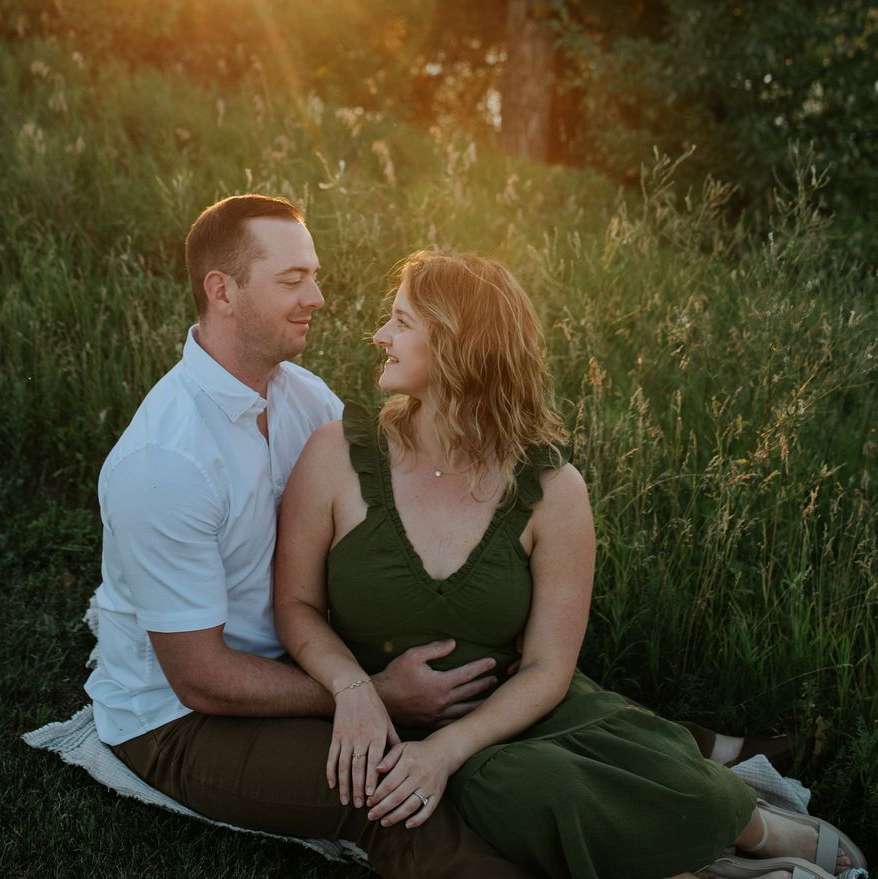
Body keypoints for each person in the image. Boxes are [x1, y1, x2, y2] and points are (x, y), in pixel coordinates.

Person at [274, 250, 867, 879]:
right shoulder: (337, 453)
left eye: (401, 322)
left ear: (456, 346)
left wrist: (444, 751)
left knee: (667, 771)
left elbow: (548, 670)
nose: (380, 337)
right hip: (427, 731)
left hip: (519, 709)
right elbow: (296, 606)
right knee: (532, 791)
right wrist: (356, 687)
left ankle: (755, 828)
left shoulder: (554, 490)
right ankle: (697, 863)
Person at [85, 195, 534, 878]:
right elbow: (201, 677)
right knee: (384, 793)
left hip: (309, 663)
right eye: (292, 279)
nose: (318, 297)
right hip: (182, 719)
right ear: (223, 290)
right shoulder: (164, 461)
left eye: (314, 275)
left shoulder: (307, 400)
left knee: (493, 739)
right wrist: (370, 691)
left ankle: (691, 772)